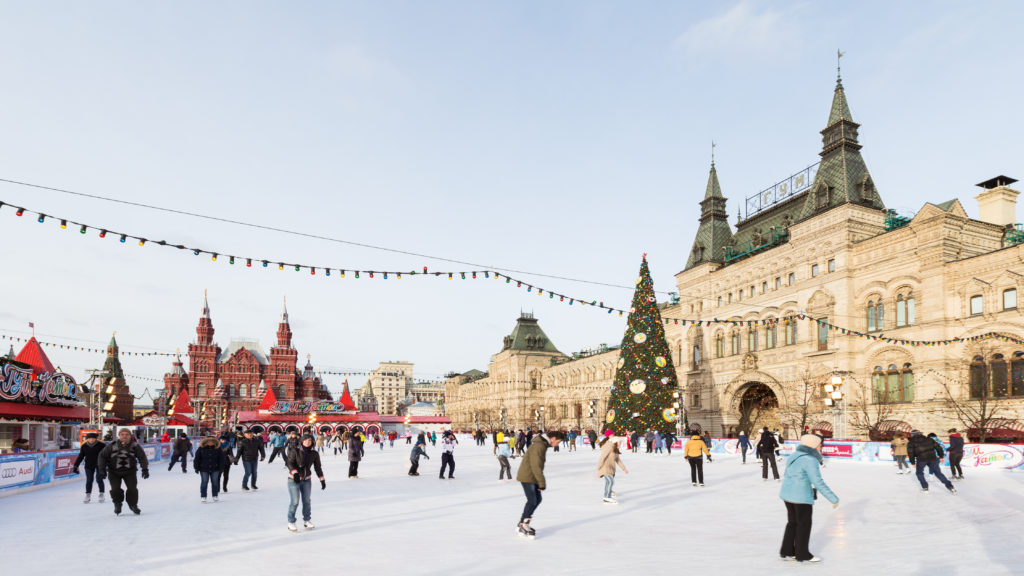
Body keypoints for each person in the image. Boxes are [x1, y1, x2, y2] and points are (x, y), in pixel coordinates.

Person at [779, 434, 839, 563]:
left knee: (792, 523)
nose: (821, 446)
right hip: (801, 496)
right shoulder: (810, 460)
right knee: (803, 525)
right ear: (813, 445)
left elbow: (788, 475)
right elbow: (818, 482)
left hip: (787, 495)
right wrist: (833, 498)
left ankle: (787, 551)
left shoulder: (794, 455)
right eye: (819, 444)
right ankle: (802, 554)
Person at [516, 430, 564, 538]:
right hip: (528, 476)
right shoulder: (539, 446)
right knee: (533, 500)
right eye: (558, 442)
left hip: (530, 475)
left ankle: (522, 522)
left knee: (537, 500)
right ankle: (524, 525)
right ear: (552, 439)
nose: (557, 444)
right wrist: (541, 483)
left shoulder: (542, 445)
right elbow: (536, 466)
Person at [97, 429, 149, 515]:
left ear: (130, 435)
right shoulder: (112, 446)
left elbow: (142, 457)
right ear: (119, 435)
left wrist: (145, 469)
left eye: (127, 434)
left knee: (132, 489)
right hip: (114, 472)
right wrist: (102, 469)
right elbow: (102, 456)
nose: (124, 436)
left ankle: (133, 505)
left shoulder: (135, 446)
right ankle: (117, 504)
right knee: (115, 489)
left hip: (130, 472)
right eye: (122, 434)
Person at [284, 433, 325, 531]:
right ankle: (291, 522)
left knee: (306, 502)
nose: (308, 442)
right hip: (293, 480)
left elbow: (317, 467)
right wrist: (295, 473)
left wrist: (322, 479)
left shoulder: (314, 453)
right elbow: (289, 463)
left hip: (306, 480)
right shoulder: (295, 450)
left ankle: (307, 520)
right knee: (295, 502)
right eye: (306, 440)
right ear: (302, 441)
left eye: (310, 440)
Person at [907, 430, 956, 494]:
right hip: (932, 458)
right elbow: (939, 447)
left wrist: (912, 462)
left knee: (919, 473)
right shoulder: (929, 439)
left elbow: (911, 453)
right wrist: (941, 456)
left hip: (921, 460)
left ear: (912, 435)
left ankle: (925, 487)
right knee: (938, 473)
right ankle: (951, 487)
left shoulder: (911, 442)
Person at [73, 432, 106, 503]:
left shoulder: (101, 445)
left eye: (93, 438)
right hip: (88, 465)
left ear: (96, 438)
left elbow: (106, 456)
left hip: (99, 465)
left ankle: (101, 494)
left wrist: (107, 466)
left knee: (99, 479)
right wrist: (76, 465)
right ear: (87, 439)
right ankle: (88, 495)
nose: (91, 440)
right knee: (89, 480)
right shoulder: (84, 446)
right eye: (89, 438)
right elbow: (81, 456)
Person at [597, 431, 628, 503]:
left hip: (611, 469)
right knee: (610, 481)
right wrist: (599, 466)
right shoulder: (609, 446)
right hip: (605, 467)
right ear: (616, 442)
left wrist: (624, 469)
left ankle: (607, 495)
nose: (621, 443)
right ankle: (607, 497)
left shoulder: (615, 449)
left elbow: (618, 460)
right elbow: (603, 456)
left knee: (609, 482)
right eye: (619, 442)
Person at [193, 437, 226, 503]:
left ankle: (215, 495)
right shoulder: (201, 449)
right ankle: (203, 496)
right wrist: (196, 467)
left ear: (215, 442)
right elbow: (197, 459)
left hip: (215, 468)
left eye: (212, 441)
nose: (210, 443)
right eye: (209, 441)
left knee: (215, 482)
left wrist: (221, 467)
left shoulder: (218, 449)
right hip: (204, 468)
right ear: (206, 442)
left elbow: (221, 459)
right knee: (204, 482)